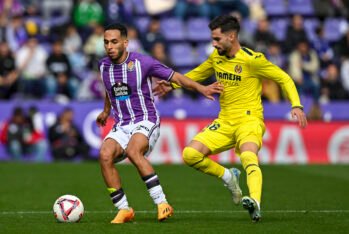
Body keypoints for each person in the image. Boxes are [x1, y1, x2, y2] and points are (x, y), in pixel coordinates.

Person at [154, 15, 308, 222]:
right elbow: (198, 73)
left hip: (249, 120)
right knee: (190, 154)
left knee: (248, 156)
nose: (214, 43)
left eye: (217, 39)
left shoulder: (253, 60)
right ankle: (228, 176)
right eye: (213, 39)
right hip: (225, 120)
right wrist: (171, 85)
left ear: (232, 36)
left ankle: (255, 203)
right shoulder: (216, 57)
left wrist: (296, 104)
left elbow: (284, 78)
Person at [96, 23, 222, 224]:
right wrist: (106, 111)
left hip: (146, 120)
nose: (109, 46)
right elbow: (109, 89)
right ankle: (124, 209)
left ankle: (162, 203)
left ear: (125, 43)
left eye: (114, 42)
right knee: (104, 155)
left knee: (133, 151)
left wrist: (201, 88)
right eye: (106, 42)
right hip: (122, 124)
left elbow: (177, 77)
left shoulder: (143, 62)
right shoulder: (104, 66)